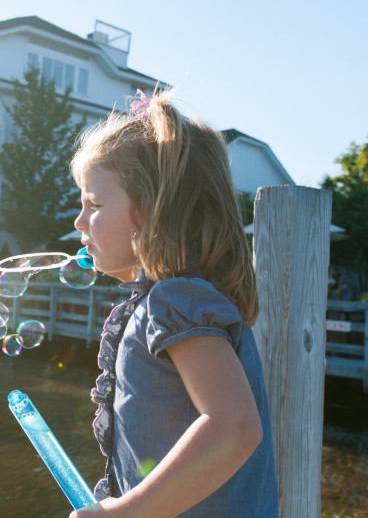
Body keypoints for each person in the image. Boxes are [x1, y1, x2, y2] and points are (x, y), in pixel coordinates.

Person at [68, 89, 278, 517]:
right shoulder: (167, 301)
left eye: (94, 204)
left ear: (149, 213)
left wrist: (125, 513)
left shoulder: (174, 300)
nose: (79, 221)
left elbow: (234, 427)